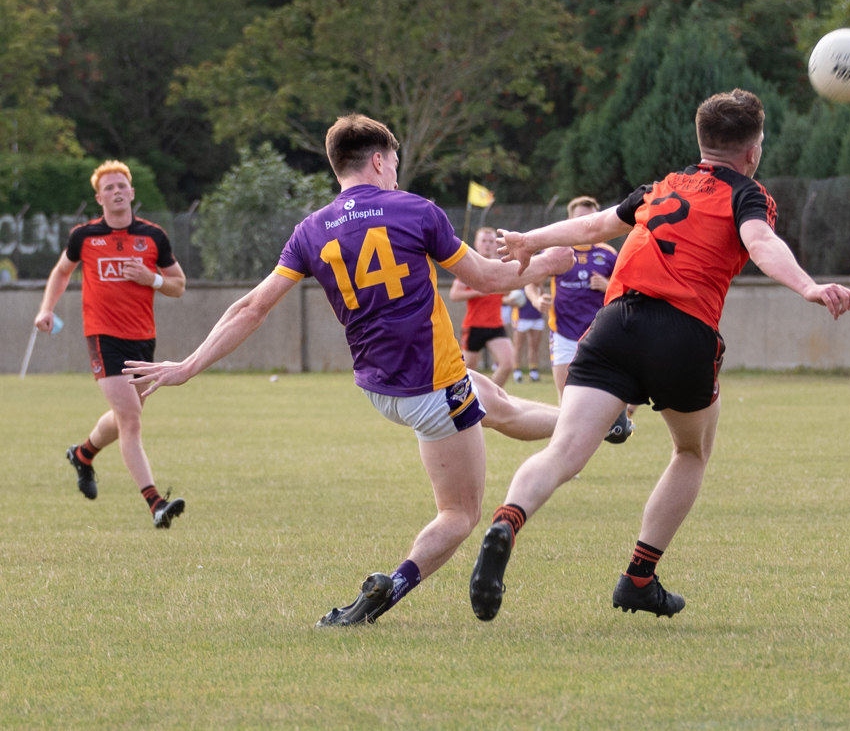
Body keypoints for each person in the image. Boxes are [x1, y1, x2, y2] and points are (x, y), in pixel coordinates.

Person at [124, 114, 574, 627]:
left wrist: (190, 364)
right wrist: (547, 263)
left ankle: (588, 422)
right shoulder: (416, 210)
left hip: (381, 388)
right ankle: (389, 589)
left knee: (494, 400)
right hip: (433, 386)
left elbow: (252, 307)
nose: (397, 175)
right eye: (395, 163)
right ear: (379, 160)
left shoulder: (311, 229)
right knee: (461, 514)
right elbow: (491, 279)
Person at [468, 89, 850, 623]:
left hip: (614, 325)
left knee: (564, 451)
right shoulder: (748, 193)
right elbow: (761, 242)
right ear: (752, 150)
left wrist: (528, 239)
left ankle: (507, 521)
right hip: (682, 331)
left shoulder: (662, 187)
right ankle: (638, 578)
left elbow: (590, 228)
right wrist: (808, 286)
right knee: (690, 452)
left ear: (701, 141)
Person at [33, 160, 188, 528]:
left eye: (122, 186)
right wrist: (46, 309)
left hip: (142, 340)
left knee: (125, 416)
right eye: (109, 187)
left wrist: (150, 278)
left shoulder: (153, 237)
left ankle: (83, 454)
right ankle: (156, 504)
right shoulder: (84, 237)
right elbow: (61, 271)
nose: (117, 192)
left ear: (132, 193)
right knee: (131, 420)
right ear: (99, 197)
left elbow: (178, 285)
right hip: (104, 337)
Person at [524, 196, 619, 402]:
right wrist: (536, 300)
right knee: (566, 398)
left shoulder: (609, 254)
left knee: (599, 398)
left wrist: (608, 285)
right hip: (563, 334)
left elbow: (629, 290)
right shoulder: (556, 252)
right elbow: (532, 282)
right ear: (569, 220)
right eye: (580, 219)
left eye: (590, 218)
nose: (585, 224)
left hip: (600, 334)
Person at [450, 227, 517, 387]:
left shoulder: (500, 266)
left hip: (496, 324)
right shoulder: (469, 267)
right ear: (476, 244)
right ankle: (463, 405)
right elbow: (454, 295)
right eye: (483, 241)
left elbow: (505, 293)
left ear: (496, 245)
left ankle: (491, 397)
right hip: (474, 325)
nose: (487, 245)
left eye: (491, 241)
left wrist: (512, 296)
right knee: (467, 371)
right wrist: (479, 290)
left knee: (507, 364)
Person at [511, 291, 545, 383]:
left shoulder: (537, 281)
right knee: (518, 346)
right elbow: (507, 297)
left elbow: (543, 294)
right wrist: (511, 300)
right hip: (521, 317)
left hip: (536, 316)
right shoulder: (518, 282)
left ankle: (534, 373)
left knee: (534, 346)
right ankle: (517, 373)